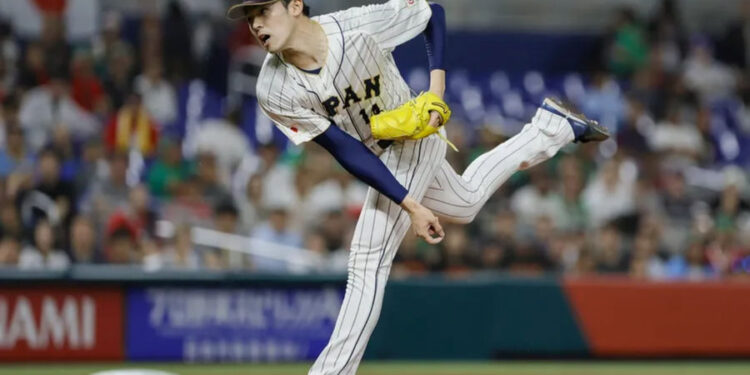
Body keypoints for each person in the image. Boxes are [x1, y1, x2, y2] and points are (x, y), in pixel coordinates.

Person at [227, 0, 609, 373]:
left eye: (263, 10)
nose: (256, 24)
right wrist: (410, 203)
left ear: (295, 5)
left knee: (367, 259)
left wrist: (435, 92)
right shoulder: (273, 88)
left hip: (414, 137)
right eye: (249, 17)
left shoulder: (358, 25)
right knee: (466, 202)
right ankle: (551, 128)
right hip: (376, 153)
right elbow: (345, 149)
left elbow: (432, 13)